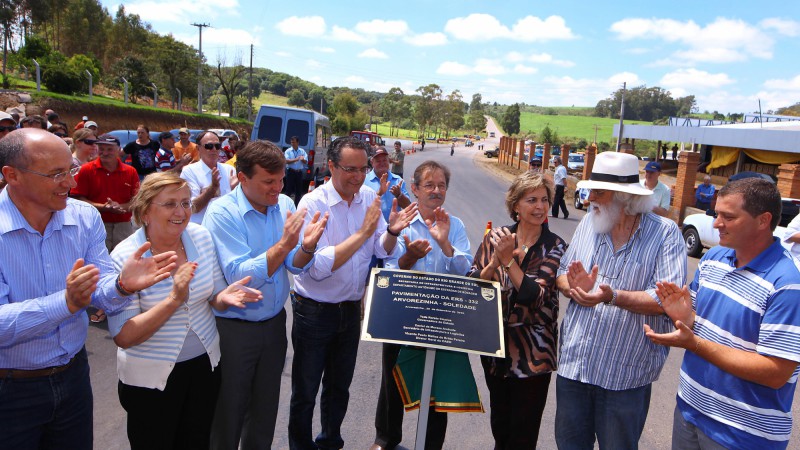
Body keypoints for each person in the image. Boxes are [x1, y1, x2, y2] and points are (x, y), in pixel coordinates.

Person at [0, 128, 177, 450]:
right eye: (56, 174)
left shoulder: (84, 217)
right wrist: (66, 303)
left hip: (73, 376)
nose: (70, 183)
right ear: (12, 175)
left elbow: (102, 291)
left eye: (71, 170)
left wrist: (122, 286)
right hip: (10, 388)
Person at [107, 172, 262, 450]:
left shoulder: (200, 237)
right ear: (145, 212)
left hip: (204, 369)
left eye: (186, 203)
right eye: (170, 204)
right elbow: (124, 335)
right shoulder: (124, 257)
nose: (181, 212)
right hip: (149, 381)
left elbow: (214, 293)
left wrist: (224, 297)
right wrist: (174, 300)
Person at [645, 178, 800, 450]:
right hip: (690, 411)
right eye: (717, 214)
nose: (717, 223)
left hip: (743, 434)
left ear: (763, 221)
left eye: (728, 217)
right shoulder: (714, 258)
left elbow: (776, 372)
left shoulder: (787, 284)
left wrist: (694, 343)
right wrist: (685, 318)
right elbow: (700, 325)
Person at [289, 136, 417, 450]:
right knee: (305, 391)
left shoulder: (369, 197)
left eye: (363, 169)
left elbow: (381, 249)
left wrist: (391, 231)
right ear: (331, 166)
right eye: (350, 169)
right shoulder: (312, 204)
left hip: (350, 309)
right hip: (314, 311)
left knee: (339, 388)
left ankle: (330, 442)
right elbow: (318, 267)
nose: (358, 177)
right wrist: (363, 233)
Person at [554, 151, 687, 449]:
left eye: (599, 193)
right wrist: (573, 288)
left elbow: (667, 299)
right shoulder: (590, 223)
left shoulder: (665, 234)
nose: (590, 199)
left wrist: (612, 296)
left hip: (625, 377)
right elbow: (562, 271)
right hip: (575, 368)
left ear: (625, 198)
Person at [203, 140, 328, 449]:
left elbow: (294, 264)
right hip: (234, 329)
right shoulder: (222, 212)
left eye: (281, 180)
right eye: (269, 181)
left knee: (265, 410)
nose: (278, 188)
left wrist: (307, 246)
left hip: (273, 325)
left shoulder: (284, 204)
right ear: (242, 178)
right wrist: (285, 244)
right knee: (229, 411)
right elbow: (240, 276)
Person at [371, 160, 472, 450]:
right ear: (414, 189)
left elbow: (465, 270)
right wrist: (410, 257)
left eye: (441, 185)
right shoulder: (402, 221)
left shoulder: (456, 225)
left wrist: (445, 244)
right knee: (393, 378)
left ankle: (431, 444)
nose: (436, 190)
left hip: (441, 319)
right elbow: (390, 269)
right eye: (429, 185)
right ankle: (386, 439)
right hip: (402, 315)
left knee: (436, 387)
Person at [470, 172, 567, 449]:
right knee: (500, 430)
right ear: (516, 205)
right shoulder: (497, 238)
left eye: (544, 200)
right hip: (496, 352)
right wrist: (494, 263)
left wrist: (509, 263)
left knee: (523, 436)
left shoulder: (555, 246)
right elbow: (474, 285)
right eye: (532, 200)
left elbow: (536, 296)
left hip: (533, 356)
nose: (540, 207)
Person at [180, 131, 236, 224]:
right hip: (201, 228)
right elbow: (192, 208)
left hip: (226, 225)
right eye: (209, 146)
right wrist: (212, 189)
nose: (214, 149)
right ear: (198, 148)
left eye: (217, 146)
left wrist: (238, 189)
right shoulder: (189, 171)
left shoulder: (229, 170)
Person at [364, 146, 412, 221]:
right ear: (372, 162)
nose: (382, 163)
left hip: (394, 227)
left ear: (388, 161)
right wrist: (379, 193)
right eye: (378, 161)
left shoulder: (398, 180)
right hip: (372, 226)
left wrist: (399, 195)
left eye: (384, 160)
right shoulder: (364, 181)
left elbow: (408, 207)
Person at [284, 136, 308, 206]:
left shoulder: (302, 151)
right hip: (291, 172)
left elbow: (306, 161)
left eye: (294, 142)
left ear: (297, 143)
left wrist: (303, 160)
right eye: (291, 142)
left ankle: (296, 206)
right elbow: (286, 161)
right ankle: (286, 205)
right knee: (288, 190)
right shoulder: (288, 151)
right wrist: (296, 159)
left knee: (299, 190)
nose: (292, 144)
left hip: (299, 172)